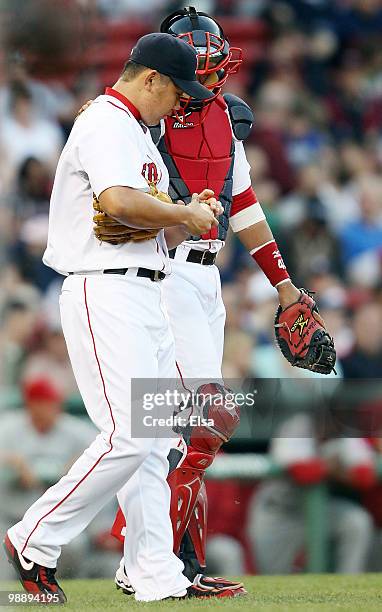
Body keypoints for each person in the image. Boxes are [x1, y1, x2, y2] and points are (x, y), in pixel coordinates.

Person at [3, 32, 225, 603]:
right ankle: (34, 536)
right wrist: (179, 212)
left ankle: (156, 574)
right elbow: (121, 203)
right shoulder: (105, 121)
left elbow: (139, 215)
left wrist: (188, 214)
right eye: (176, 91)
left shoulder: (136, 132)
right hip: (105, 291)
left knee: (152, 442)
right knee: (129, 436)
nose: (181, 104)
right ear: (150, 77)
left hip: (143, 289)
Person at [110, 6, 303, 595]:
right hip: (159, 273)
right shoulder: (140, 121)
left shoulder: (227, 116)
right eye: (199, 68)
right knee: (193, 423)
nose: (211, 76)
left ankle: (163, 563)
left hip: (206, 279)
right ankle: (157, 562)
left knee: (194, 426)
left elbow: (242, 203)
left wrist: (284, 284)